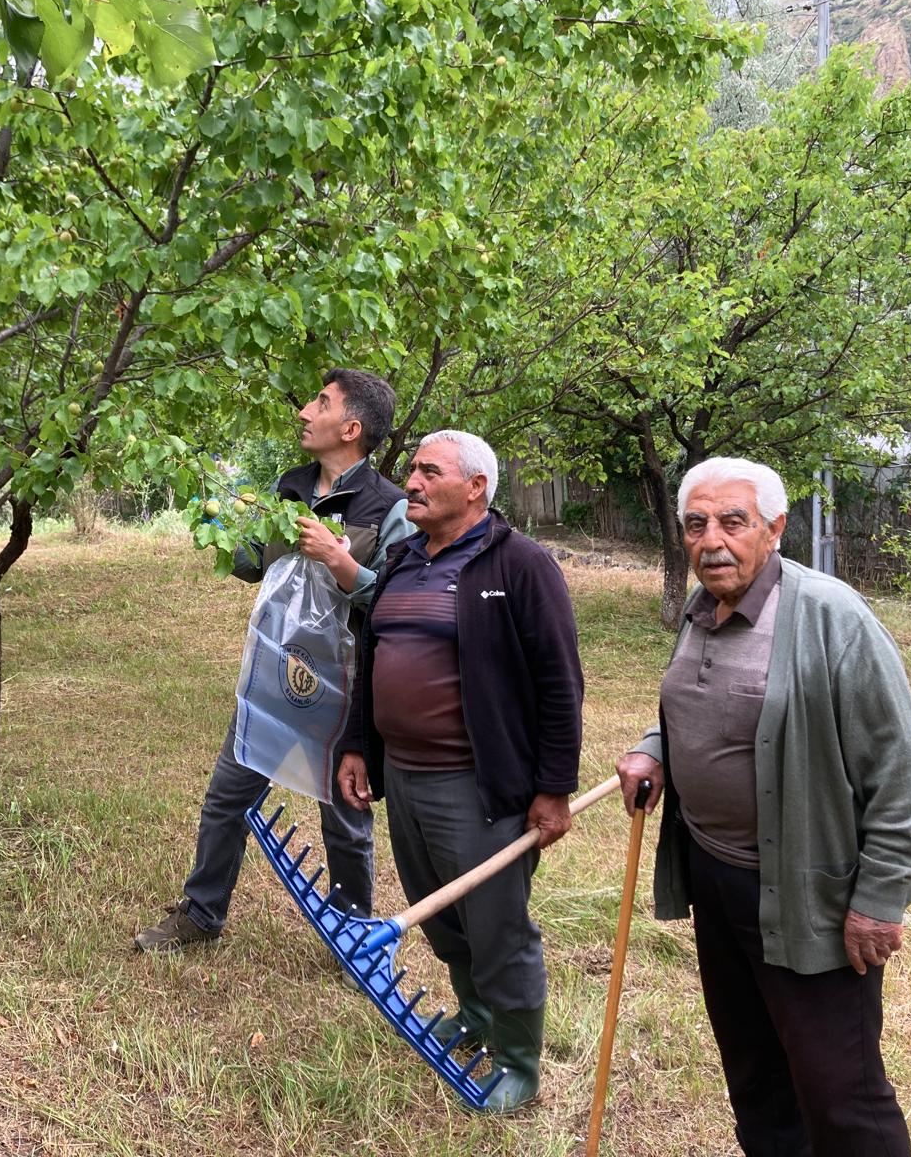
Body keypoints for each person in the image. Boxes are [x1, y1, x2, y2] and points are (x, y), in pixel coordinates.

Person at [615, 456, 911, 1157]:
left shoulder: (831, 617)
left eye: (733, 521)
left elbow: (901, 768)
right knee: (754, 1073)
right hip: (716, 879)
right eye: (695, 524)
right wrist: (654, 750)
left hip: (806, 891)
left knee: (839, 1090)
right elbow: (700, 707)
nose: (711, 540)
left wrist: (880, 897)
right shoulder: (702, 608)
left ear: (775, 529)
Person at [337, 429, 583, 1113]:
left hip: (479, 789)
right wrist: (357, 745)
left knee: (498, 928)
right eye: (411, 469)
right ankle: (474, 1018)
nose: (410, 482)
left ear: (475, 487)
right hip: (407, 780)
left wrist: (553, 788)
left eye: (427, 471)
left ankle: (518, 1063)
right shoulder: (402, 559)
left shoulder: (521, 565)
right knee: (446, 924)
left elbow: (561, 684)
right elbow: (371, 654)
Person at [134, 369, 415, 953]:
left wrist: (341, 564)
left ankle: (355, 935)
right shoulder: (290, 489)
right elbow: (256, 564)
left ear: (351, 427)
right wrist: (210, 523)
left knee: (345, 817)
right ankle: (202, 914)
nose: (305, 412)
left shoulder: (388, 508)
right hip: (274, 675)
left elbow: (395, 601)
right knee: (227, 796)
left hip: (343, 688)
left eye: (321, 402)